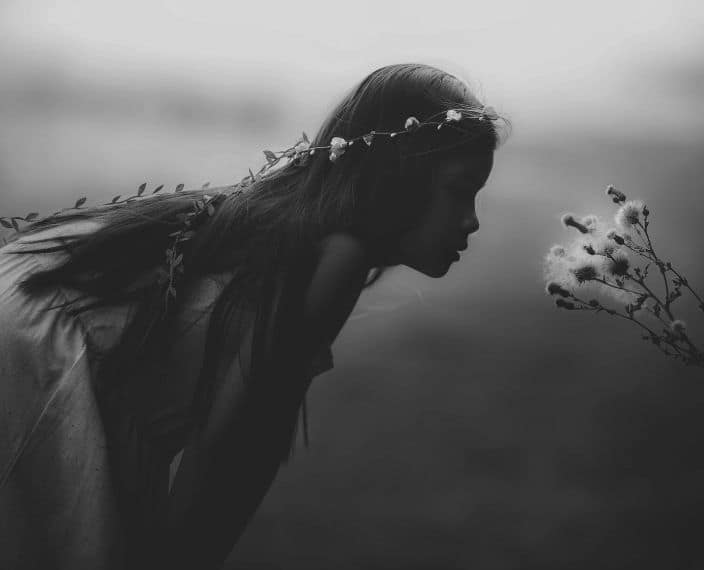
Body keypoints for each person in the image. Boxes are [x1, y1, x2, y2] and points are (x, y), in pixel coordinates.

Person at [0, 62, 507, 569]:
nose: (472, 221)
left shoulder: (302, 226)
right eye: (459, 190)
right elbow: (232, 445)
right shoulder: (339, 255)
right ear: (400, 177)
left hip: (30, 316)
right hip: (44, 355)